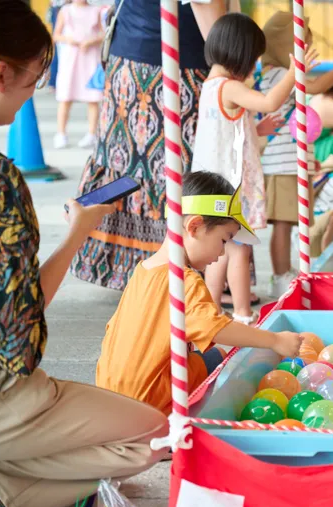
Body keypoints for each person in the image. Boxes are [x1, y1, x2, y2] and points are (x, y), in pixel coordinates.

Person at [0, 2, 169, 507]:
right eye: (36, 81)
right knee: (153, 436)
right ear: (1, 74)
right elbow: (18, 344)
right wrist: (77, 234)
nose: (36, 91)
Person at [96, 171, 303, 414]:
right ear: (194, 226)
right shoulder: (184, 279)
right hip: (151, 404)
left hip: (109, 396)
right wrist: (275, 340)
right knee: (227, 353)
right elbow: (216, 331)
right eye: (224, 240)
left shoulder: (144, 270)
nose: (223, 253)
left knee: (212, 351)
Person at [70, 0, 227, 291]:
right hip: (177, 70)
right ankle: (177, 268)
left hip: (128, 59)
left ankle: (132, 267)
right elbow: (214, 29)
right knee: (179, 167)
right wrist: (229, 70)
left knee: (128, 164)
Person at [190, 13, 316, 323]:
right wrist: (295, 71)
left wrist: (254, 130)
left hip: (215, 187)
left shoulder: (211, 86)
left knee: (223, 251)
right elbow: (270, 101)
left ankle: (213, 310)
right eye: (254, 58)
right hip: (228, 187)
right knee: (238, 250)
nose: (254, 65)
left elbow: (225, 129)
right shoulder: (228, 87)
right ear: (240, 53)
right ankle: (243, 314)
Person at [258, 12, 333, 298]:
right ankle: (280, 276)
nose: (303, 55)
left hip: (290, 160)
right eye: (300, 47)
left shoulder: (277, 74)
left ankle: (284, 271)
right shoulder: (278, 74)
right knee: (283, 223)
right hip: (281, 162)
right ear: (282, 47)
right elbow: (313, 86)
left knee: (289, 221)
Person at [52, 0, 105, 149]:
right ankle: (61, 133)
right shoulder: (66, 10)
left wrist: (91, 41)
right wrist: (69, 39)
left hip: (90, 58)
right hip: (71, 58)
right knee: (65, 97)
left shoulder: (96, 11)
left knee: (93, 97)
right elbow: (56, 35)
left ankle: (92, 134)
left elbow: (103, 33)